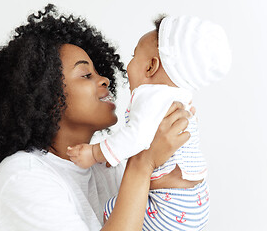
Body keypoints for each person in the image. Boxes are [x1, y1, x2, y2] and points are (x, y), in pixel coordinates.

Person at [0, 4, 194, 231]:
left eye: (99, 72)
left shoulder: (106, 169)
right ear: (44, 95)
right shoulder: (22, 177)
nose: (105, 80)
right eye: (86, 74)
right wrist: (144, 162)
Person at [68, 15, 231, 230]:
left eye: (134, 56)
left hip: (170, 205)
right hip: (194, 201)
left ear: (151, 67)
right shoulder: (179, 97)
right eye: (87, 75)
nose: (127, 65)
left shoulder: (152, 96)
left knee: (111, 211)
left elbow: (136, 137)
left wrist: (95, 153)